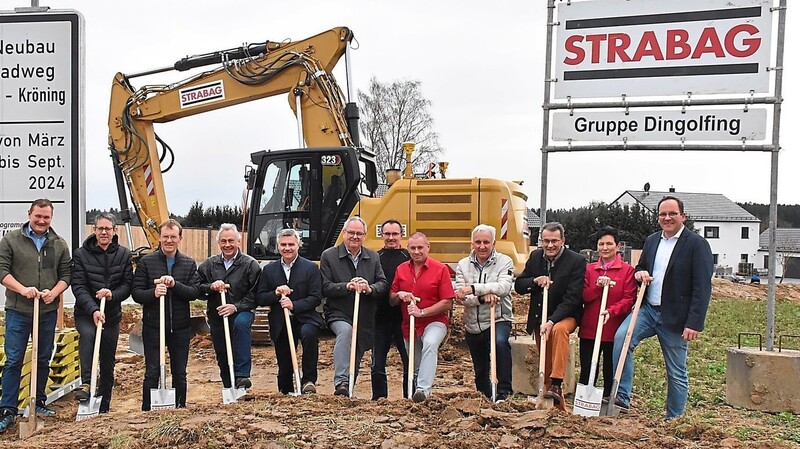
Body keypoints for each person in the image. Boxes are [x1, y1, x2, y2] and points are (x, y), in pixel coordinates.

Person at [612, 196, 713, 420]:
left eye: (672, 214)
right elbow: (642, 267)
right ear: (657, 218)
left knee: (676, 370)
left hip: (675, 316)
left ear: (682, 216)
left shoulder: (697, 244)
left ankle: (673, 418)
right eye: (662, 214)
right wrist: (639, 273)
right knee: (621, 339)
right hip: (647, 310)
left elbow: (702, 287)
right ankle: (622, 397)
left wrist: (694, 322)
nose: (667, 218)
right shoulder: (652, 241)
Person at [0, 199, 71, 432]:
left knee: (42, 357)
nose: (41, 221)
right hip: (18, 311)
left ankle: (38, 401)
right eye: (38, 216)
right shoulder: (11, 240)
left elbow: (66, 275)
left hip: (47, 311)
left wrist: (54, 293)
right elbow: (2, 271)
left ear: (51, 218)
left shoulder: (58, 244)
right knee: (13, 360)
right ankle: (8, 409)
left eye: (46, 217)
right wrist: (22, 289)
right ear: (29, 214)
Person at [514, 222, 586, 407]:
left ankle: (557, 382)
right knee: (545, 361)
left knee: (559, 330)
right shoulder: (535, 257)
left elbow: (573, 298)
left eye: (554, 241)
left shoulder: (576, 261)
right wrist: (535, 281)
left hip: (566, 315)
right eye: (546, 241)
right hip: (540, 317)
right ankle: (557, 408)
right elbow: (519, 285)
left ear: (563, 240)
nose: (550, 245)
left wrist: (553, 321)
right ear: (541, 241)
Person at [131, 219, 199, 411]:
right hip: (154, 326)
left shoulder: (188, 263)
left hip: (180, 327)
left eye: (173, 237)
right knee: (152, 371)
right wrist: (153, 293)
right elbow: (136, 293)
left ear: (180, 238)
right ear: (159, 238)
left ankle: (179, 407)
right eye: (165, 237)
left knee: (179, 372)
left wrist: (175, 285)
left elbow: (195, 292)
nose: (169, 240)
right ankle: (149, 409)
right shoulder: (146, 262)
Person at [71, 212, 133, 413]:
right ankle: (87, 383)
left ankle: (104, 404)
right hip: (86, 313)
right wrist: (93, 309)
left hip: (111, 315)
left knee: (108, 360)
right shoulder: (81, 254)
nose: (104, 232)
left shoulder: (124, 254)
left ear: (114, 231)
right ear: (94, 230)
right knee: (88, 336)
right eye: (100, 228)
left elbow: (127, 284)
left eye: (108, 228)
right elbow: (78, 286)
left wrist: (112, 295)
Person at [321, 217, 388, 396]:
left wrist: (369, 288)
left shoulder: (373, 257)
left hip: (365, 315)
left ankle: (348, 389)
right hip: (338, 313)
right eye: (351, 232)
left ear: (365, 236)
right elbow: (325, 287)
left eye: (359, 233)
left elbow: (382, 283)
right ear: (344, 233)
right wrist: (347, 286)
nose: (355, 237)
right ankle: (341, 382)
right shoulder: (329, 256)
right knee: (346, 332)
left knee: (356, 351)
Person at [257, 228, 325, 395]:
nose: (287, 248)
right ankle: (286, 388)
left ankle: (308, 381)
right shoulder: (269, 270)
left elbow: (316, 297)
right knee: (284, 356)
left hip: (306, 318)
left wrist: (294, 305)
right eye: (283, 245)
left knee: (309, 335)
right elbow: (260, 298)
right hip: (280, 321)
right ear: (278, 247)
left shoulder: (310, 268)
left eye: (291, 244)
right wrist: (275, 294)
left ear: (298, 245)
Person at [391, 232, 455, 403]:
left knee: (430, 344)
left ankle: (423, 390)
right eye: (413, 248)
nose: (417, 251)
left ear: (428, 247)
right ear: (408, 249)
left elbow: (447, 302)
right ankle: (419, 401)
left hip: (434, 321)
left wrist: (423, 312)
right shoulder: (401, 269)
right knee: (416, 365)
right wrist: (400, 294)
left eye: (420, 247)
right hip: (409, 326)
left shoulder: (440, 269)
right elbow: (392, 298)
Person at [197, 223, 261, 391]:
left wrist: (236, 307)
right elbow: (197, 288)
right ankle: (228, 386)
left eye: (231, 241)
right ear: (218, 243)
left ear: (238, 241)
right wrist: (211, 286)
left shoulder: (249, 264)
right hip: (217, 313)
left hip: (242, 311)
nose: (227, 245)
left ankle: (242, 376)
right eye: (223, 241)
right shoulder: (209, 265)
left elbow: (255, 294)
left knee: (240, 325)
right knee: (222, 350)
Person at [455, 224, 514, 402]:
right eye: (478, 242)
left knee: (500, 343)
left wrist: (473, 288)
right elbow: (460, 296)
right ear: (472, 243)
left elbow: (503, 287)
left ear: (494, 243)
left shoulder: (505, 262)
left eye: (486, 242)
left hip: (498, 317)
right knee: (480, 365)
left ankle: (504, 392)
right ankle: (484, 395)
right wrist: (481, 297)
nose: (482, 246)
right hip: (473, 322)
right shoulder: (463, 265)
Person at [578, 227, 636, 400]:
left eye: (609, 244)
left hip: (613, 330)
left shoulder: (627, 271)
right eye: (601, 244)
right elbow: (583, 296)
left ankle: (609, 399)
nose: (605, 248)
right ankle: (584, 400)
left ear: (618, 246)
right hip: (590, 329)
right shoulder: (589, 270)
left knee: (610, 369)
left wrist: (611, 311)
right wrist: (597, 286)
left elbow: (628, 299)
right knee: (588, 368)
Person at [371, 219, 410, 400]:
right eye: (387, 234)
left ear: (401, 235)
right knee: (377, 362)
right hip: (380, 318)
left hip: (405, 319)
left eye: (395, 234)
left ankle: (408, 397)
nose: (391, 238)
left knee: (409, 361)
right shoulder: (374, 258)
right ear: (382, 235)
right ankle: (379, 398)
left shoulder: (409, 257)